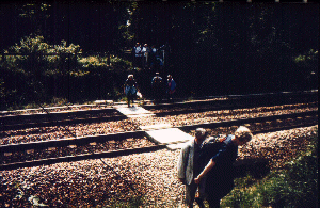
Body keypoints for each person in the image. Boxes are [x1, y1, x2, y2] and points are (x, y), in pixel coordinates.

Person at [194, 126, 254, 208]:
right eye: (244, 142)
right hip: (215, 174)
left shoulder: (231, 137)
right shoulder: (227, 147)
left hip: (223, 172)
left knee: (227, 188)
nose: (244, 144)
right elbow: (213, 161)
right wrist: (201, 175)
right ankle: (201, 200)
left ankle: (203, 199)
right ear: (241, 139)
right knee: (215, 198)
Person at [177, 128, 207, 208]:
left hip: (202, 174)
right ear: (195, 137)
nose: (201, 142)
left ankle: (200, 202)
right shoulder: (187, 147)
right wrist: (181, 176)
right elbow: (182, 162)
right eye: (199, 140)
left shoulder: (206, 145)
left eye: (202, 140)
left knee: (202, 191)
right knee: (190, 193)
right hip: (191, 174)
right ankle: (190, 205)